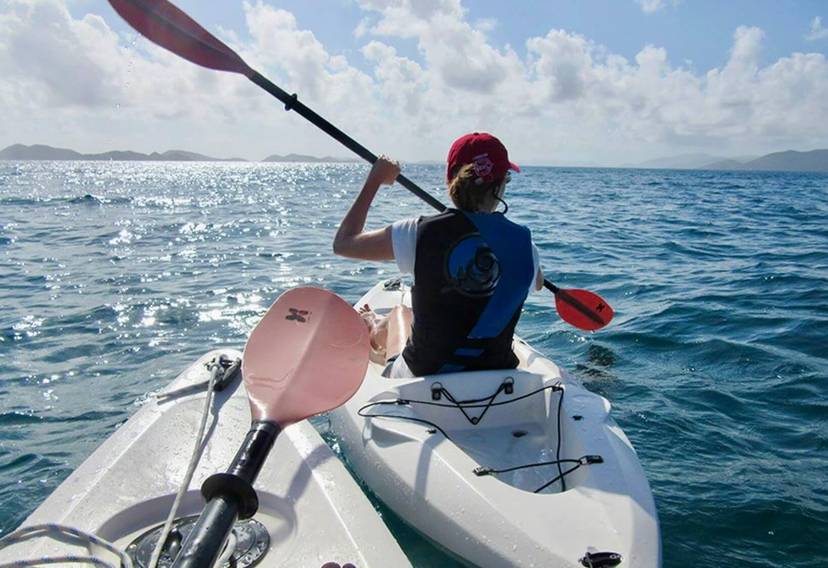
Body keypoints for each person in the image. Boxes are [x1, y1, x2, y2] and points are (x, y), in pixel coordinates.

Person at [333, 132, 543, 378]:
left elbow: (343, 243)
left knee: (400, 313)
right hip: (499, 381)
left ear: (451, 181)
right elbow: (537, 283)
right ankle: (375, 322)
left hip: (422, 379)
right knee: (406, 316)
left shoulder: (417, 232)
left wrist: (375, 180)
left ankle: (371, 323)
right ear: (499, 185)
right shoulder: (526, 246)